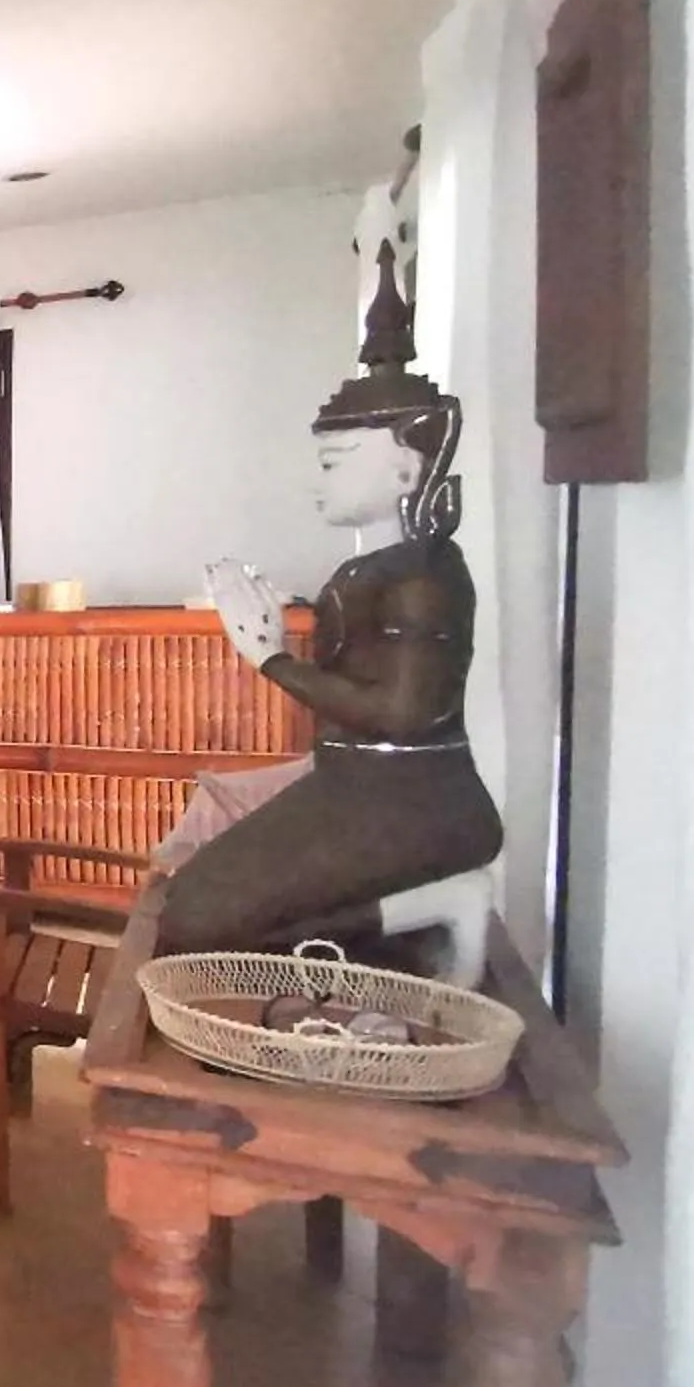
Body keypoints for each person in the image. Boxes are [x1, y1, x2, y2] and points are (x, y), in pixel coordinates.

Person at [159, 245, 502, 977]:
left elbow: (404, 716)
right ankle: (424, 914)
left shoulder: (427, 575)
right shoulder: (365, 569)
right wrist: (275, 644)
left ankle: (443, 903)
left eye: (335, 459)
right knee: (185, 907)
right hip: (349, 783)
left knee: (194, 926)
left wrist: (273, 657)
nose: (319, 482)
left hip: (414, 799)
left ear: (407, 466)